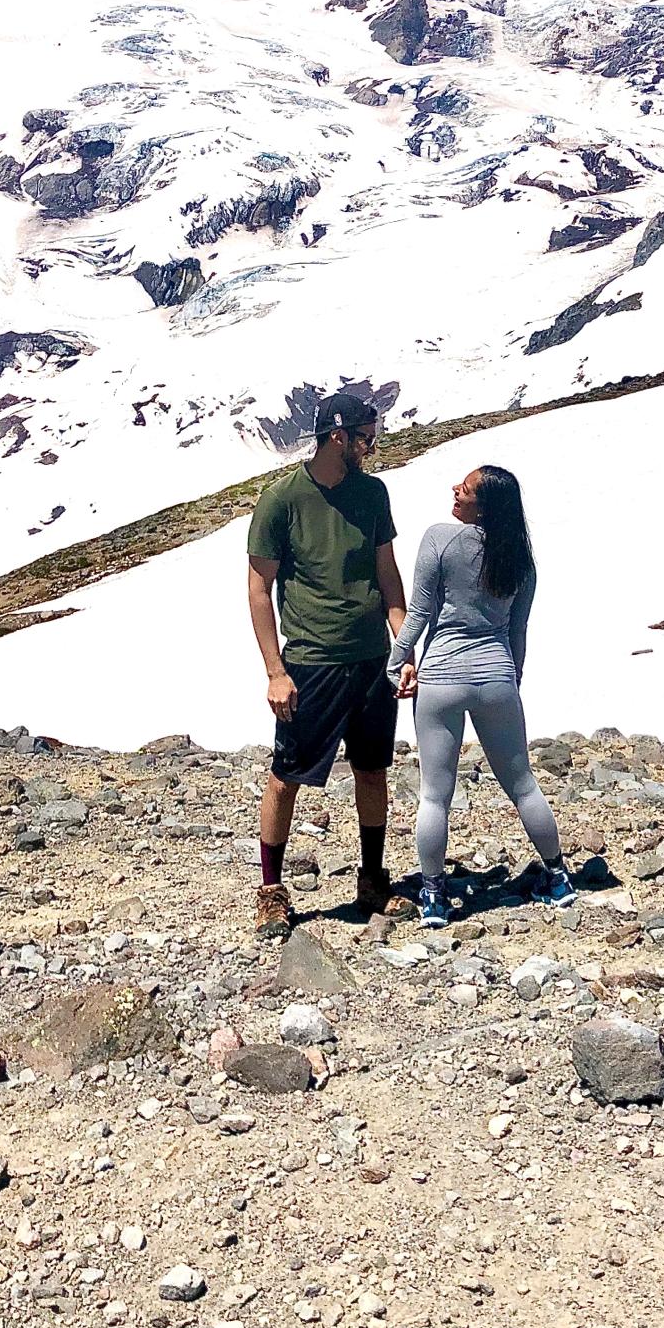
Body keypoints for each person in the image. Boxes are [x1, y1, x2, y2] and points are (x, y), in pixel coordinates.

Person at [247, 392, 408, 940]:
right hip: (311, 661)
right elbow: (259, 586)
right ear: (338, 437)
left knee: (372, 768)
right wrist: (275, 670)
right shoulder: (281, 500)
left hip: (370, 660)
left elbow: (388, 573)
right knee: (287, 776)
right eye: (366, 436)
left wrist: (402, 646)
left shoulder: (373, 494)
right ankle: (271, 891)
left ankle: (372, 878)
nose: (373, 444)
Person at [388, 464, 573, 928]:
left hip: (443, 674)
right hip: (496, 676)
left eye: (465, 489)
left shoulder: (440, 539)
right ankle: (557, 876)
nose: (455, 489)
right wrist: (513, 681)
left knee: (435, 794)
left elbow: (420, 613)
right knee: (523, 783)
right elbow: (517, 632)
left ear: (482, 505)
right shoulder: (520, 559)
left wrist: (397, 660)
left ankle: (433, 895)